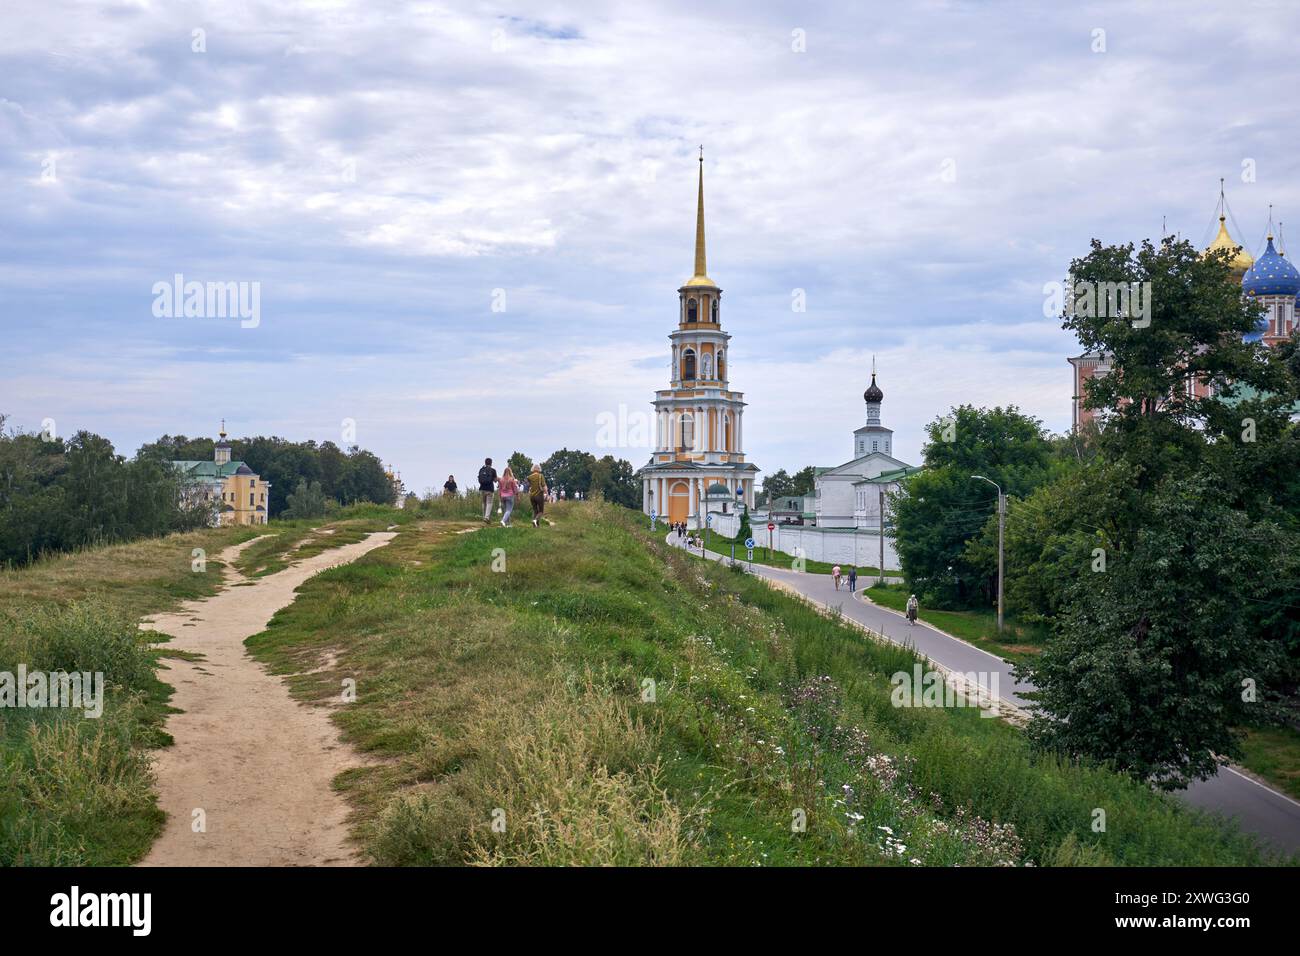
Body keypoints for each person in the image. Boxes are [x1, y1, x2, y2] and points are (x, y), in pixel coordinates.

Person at [477, 457, 498, 522]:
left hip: (482, 488)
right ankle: (487, 517)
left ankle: (484, 517)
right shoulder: (493, 470)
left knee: (483, 503)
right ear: (491, 463)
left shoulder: (481, 469)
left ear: (485, 462)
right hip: (489, 489)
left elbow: (479, 478)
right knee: (489, 503)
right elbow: (495, 480)